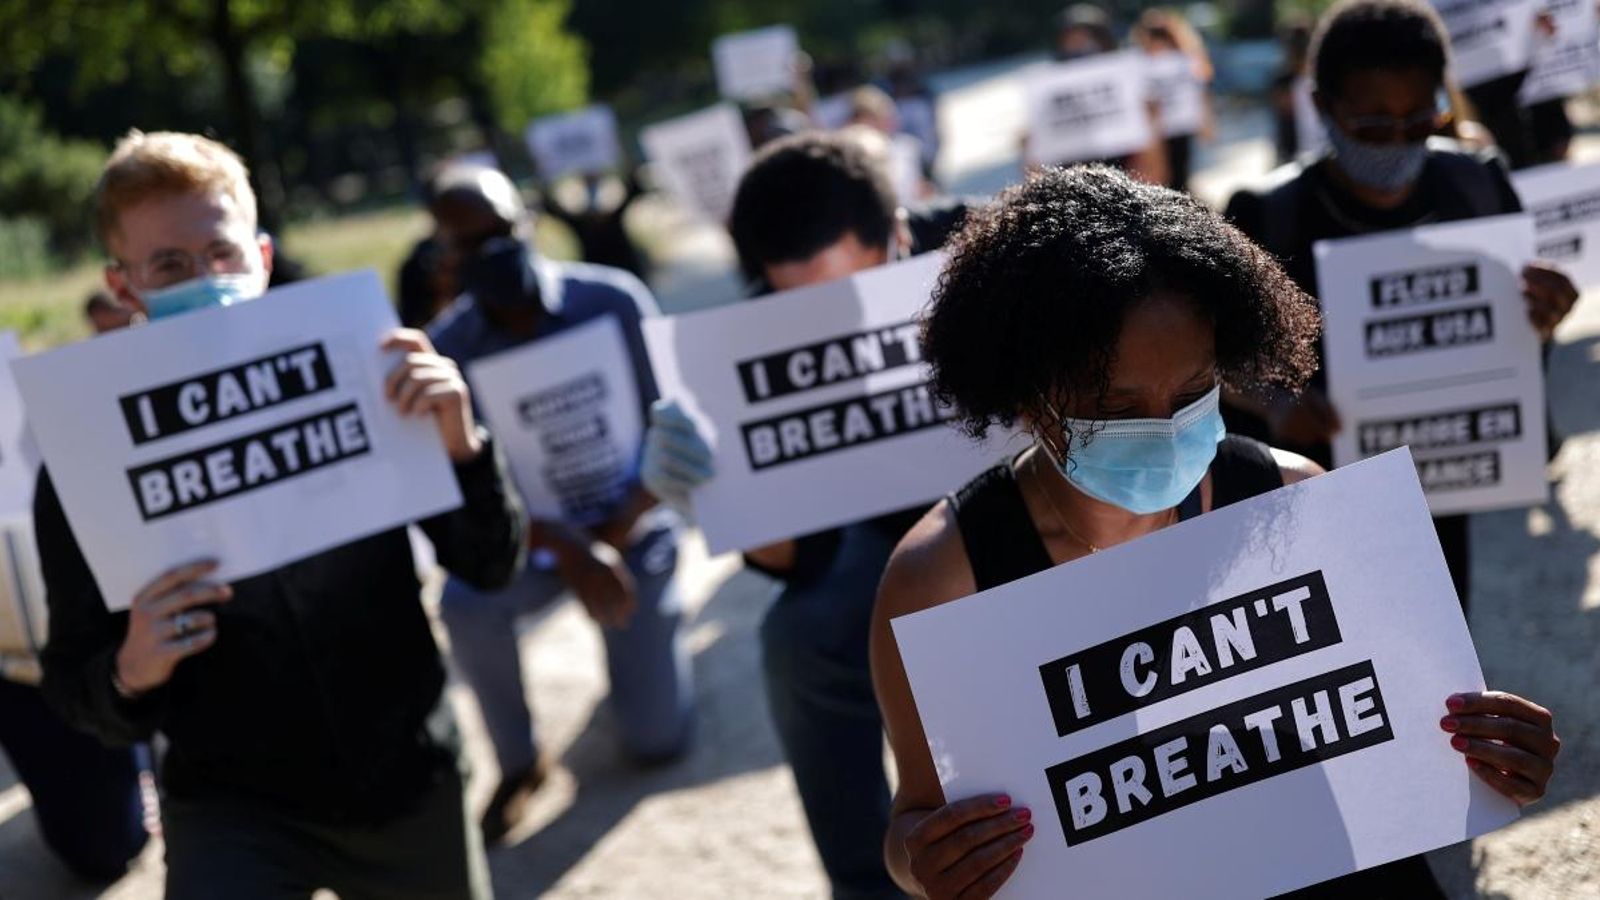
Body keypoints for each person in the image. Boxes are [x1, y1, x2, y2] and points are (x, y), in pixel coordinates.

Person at [871, 165, 1562, 900]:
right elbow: (912, 823)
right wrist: (926, 862)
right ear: (1028, 396)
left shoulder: (1295, 500)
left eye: (1195, 389)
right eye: (1117, 401)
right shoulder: (941, 580)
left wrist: (1490, 756)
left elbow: (1400, 728)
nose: (1166, 424)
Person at [36, 131, 526, 900]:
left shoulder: (367, 366)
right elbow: (76, 686)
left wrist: (462, 448)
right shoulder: (87, 451)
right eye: (169, 265)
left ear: (261, 257)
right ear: (124, 286)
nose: (206, 278)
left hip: (406, 779)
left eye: (222, 254)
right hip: (232, 809)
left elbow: (490, 565)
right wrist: (131, 670)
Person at [642, 131, 969, 899]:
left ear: (895, 233)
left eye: (844, 294)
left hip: (1044, 510)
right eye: (796, 304)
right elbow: (801, 560)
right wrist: (721, 492)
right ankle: (865, 883)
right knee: (797, 633)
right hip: (884, 548)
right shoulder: (745, 344)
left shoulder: (990, 249)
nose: (823, 321)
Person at [1222, 0, 1578, 607]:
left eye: (1420, 121)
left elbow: (1515, 332)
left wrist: (1543, 318)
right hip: (1309, 496)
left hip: (1436, 485)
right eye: (1373, 127)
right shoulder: (1267, 215)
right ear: (1322, 107)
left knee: (1434, 638)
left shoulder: (1476, 185)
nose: (1398, 144)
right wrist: (1272, 397)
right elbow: (1210, 359)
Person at [425, 165, 694, 845]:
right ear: (446, 255)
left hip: (633, 526)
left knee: (656, 741)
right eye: (468, 243)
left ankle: (645, 658)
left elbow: (678, 427)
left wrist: (625, 519)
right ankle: (520, 761)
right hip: (536, 546)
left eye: (501, 232)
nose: (491, 252)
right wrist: (566, 545)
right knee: (464, 601)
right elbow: (460, 494)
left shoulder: (613, 300)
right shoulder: (447, 350)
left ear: (529, 222)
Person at [1034, 4, 1169, 185]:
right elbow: (1040, 186)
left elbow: (1153, 179)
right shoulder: (1049, 110)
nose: (1081, 55)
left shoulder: (1131, 105)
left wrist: (1151, 129)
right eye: (1072, 51)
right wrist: (1032, 150)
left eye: (1088, 47)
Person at [1134, 8, 1216, 193]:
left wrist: (1207, 122)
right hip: (1158, 131)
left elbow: (1201, 92)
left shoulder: (1186, 61)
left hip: (1180, 125)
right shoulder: (1141, 64)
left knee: (1180, 173)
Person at [537, 169, 650, 281]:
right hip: (614, 279)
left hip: (624, 278)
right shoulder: (604, 223)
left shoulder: (583, 226)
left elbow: (552, 208)